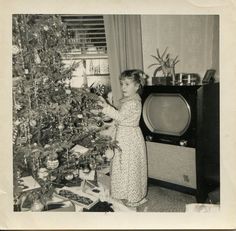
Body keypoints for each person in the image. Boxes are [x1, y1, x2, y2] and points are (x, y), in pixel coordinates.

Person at [98, 69, 148, 207]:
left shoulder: (133, 102)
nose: (123, 87)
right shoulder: (129, 101)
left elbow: (119, 116)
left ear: (137, 86)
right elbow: (120, 117)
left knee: (129, 166)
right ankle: (121, 193)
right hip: (124, 136)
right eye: (122, 84)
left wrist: (106, 107)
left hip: (129, 138)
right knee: (121, 165)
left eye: (127, 84)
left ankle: (133, 195)